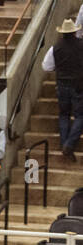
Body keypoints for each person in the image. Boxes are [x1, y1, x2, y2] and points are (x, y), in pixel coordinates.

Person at [44, 19, 83, 161]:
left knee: (64, 115)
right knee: (80, 116)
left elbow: (46, 67)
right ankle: (69, 144)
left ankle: (64, 144)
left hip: (62, 84)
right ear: (74, 31)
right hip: (79, 85)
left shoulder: (55, 47)